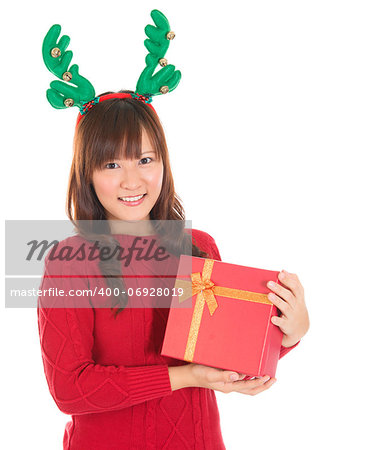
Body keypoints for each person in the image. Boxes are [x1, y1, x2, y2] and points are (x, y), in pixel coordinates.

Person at [38, 11, 309, 450]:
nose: (132, 180)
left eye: (145, 159)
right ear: (86, 173)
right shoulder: (70, 263)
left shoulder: (199, 248)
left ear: (163, 161)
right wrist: (188, 376)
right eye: (111, 164)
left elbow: (228, 352)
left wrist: (290, 333)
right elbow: (70, 389)